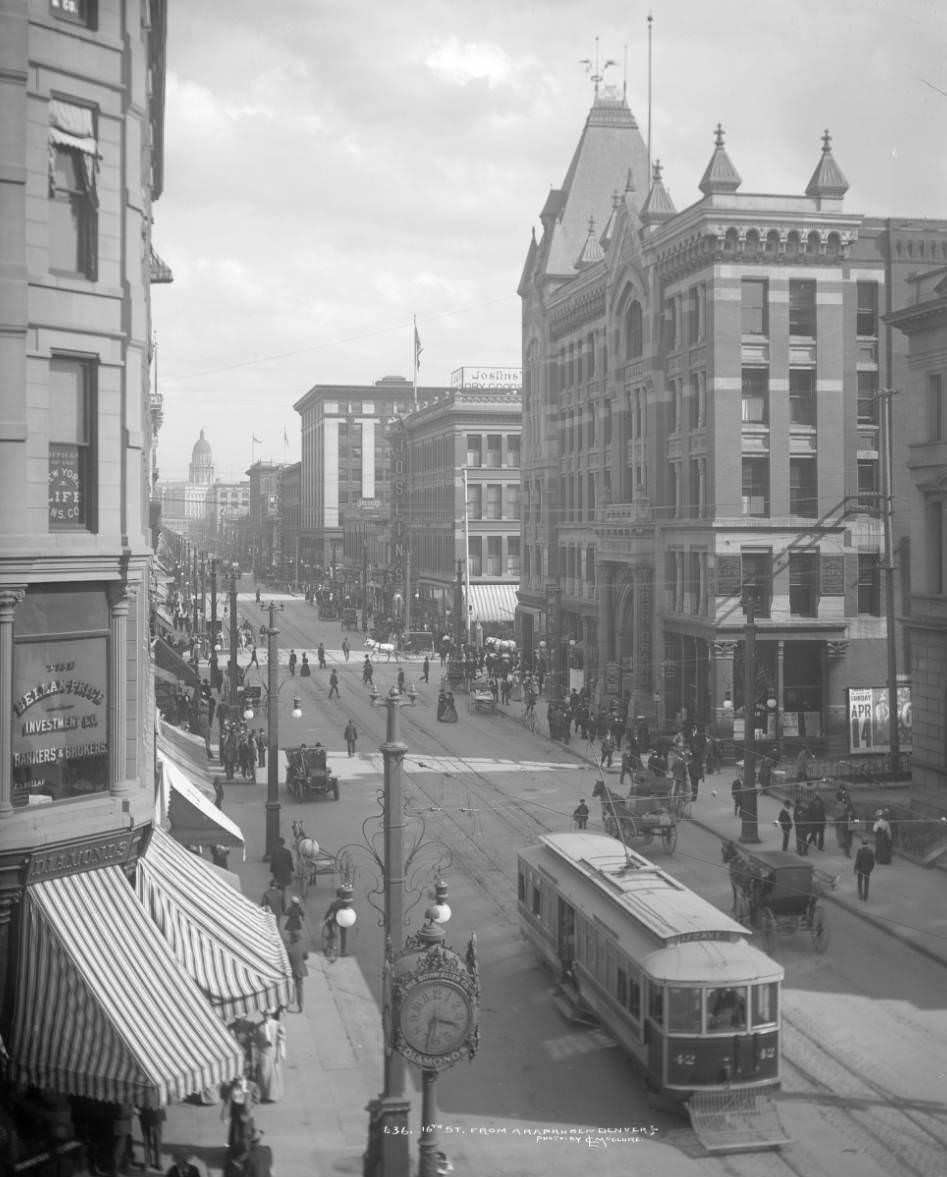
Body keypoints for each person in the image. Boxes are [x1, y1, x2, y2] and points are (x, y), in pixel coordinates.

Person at [254, 1010, 286, 1103]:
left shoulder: (277, 1024)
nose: (266, 1016)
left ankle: (273, 1095)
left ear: (271, 1015)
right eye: (264, 1015)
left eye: (268, 1015)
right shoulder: (259, 1026)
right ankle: (264, 1094)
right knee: (264, 1073)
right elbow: (256, 1040)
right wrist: (257, 1052)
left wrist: (280, 1052)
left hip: (273, 1051)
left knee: (273, 1074)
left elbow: (281, 1038)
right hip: (263, 1052)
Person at [285, 930, 309, 1012]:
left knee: (290, 987)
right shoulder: (302, 946)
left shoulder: (289, 948)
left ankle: (288, 1003)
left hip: (291, 970)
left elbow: (287, 960)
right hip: (300, 970)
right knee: (300, 988)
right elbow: (306, 956)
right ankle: (300, 1005)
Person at [138, 1105, 166, 1172]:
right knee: (146, 1141)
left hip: (157, 1116)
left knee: (157, 1141)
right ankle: (147, 1162)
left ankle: (158, 1163)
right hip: (145, 1115)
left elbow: (164, 1099)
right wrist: (138, 1110)